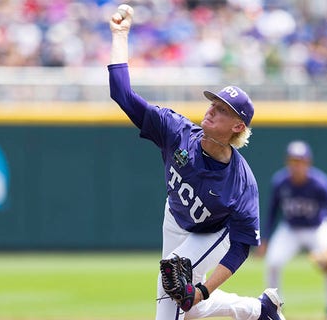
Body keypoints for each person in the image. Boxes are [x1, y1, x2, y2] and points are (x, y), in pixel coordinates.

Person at [108, 5, 285, 320]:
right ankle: (259, 310)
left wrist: (203, 289)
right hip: (175, 218)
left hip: (214, 232)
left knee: (173, 301)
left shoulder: (241, 185)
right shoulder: (176, 130)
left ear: (237, 127)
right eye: (214, 102)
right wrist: (120, 35)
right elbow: (122, 93)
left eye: (223, 109)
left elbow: (241, 248)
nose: (212, 109)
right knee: (188, 306)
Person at [256, 140, 327, 320]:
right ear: (287, 162)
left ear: (308, 163)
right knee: (273, 262)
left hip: (317, 228)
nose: (296, 165)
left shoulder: (320, 183)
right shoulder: (280, 181)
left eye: (300, 161)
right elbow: (272, 213)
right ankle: (274, 308)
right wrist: (264, 239)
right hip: (290, 229)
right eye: (293, 161)